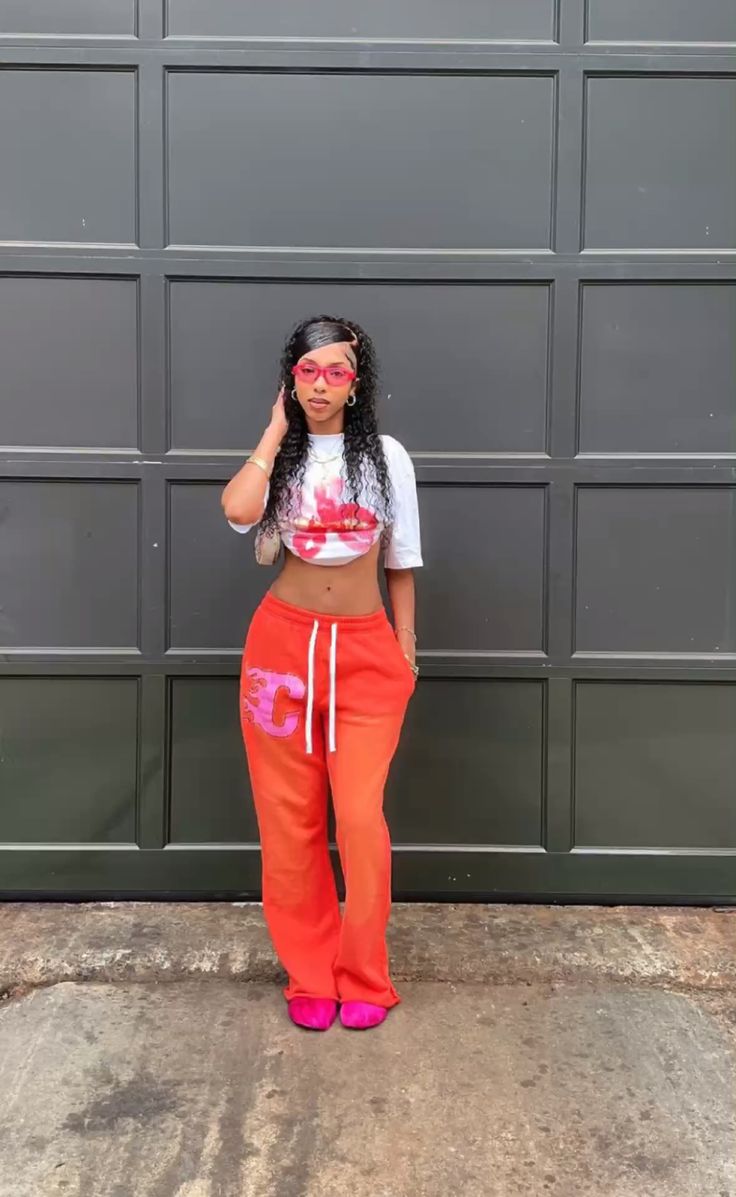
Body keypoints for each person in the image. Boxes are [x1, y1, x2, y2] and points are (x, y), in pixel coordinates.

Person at [221, 315, 422, 1032]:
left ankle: (364, 971)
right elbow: (238, 510)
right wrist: (274, 433)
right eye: (309, 370)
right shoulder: (286, 454)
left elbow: (402, 558)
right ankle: (310, 970)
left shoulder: (386, 457)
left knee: (360, 819)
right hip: (281, 653)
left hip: (366, 654)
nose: (322, 384)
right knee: (289, 820)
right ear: (291, 378)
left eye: (336, 371)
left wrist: (406, 647)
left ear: (356, 381)